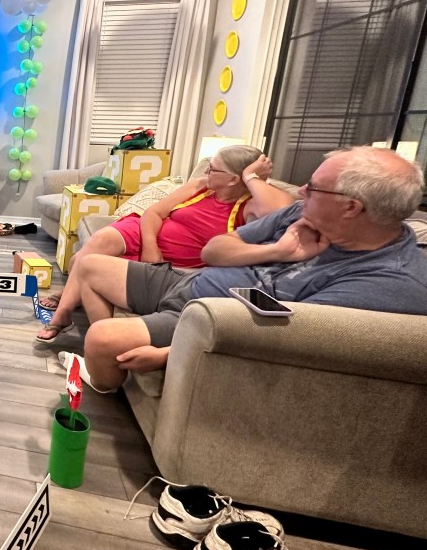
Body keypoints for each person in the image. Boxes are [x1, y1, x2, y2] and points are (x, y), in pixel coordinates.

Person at [60, 146, 427, 394]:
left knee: (102, 339)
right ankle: (109, 361)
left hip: (209, 317)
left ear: (351, 207)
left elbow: (288, 341)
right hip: (190, 280)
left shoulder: (389, 282)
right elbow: (214, 249)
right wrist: (278, 250)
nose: (300, 191)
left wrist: (170, 353)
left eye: (313, 188)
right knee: (89, 265)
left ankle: (103, 385)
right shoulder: (301, 216)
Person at [36, 146, 293, 341]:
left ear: (234, 179)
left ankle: (74, 319)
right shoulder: (201, 186)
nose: (206, 171)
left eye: (213, 168)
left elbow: (283, 208)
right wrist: (151, 247)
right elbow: (153, 213)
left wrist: (252, 177)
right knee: (100, 240)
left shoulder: (248, 207)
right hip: (145, 233)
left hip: (176, 260)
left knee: (82, 263)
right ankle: (64, 313)